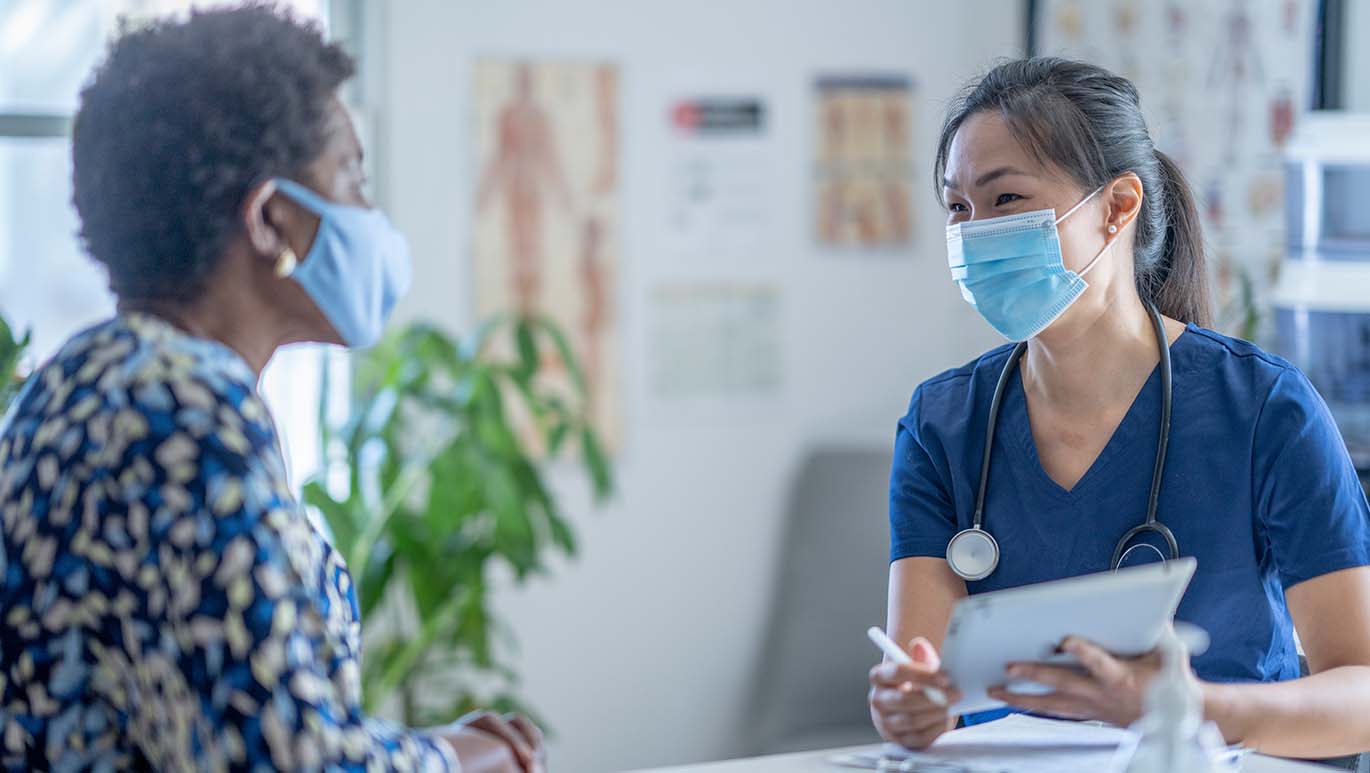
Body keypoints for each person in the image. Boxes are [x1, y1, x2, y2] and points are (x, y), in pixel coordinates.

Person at [0, 6, 543, 771]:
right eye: (351, 175)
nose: (370, 214)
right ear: (271, 221)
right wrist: (470, 756)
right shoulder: (182, 413)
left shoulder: (84, 384)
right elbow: (290, 760)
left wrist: (421, 747)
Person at [869, 57, 1370, 760]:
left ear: (1117, 206)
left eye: (1005, 199)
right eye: (958, 208)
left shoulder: (1263, 409)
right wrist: (909, 708)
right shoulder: (942, 425)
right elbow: (929, 683)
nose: (975, 233)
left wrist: (1191, 705)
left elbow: (1361, 693)